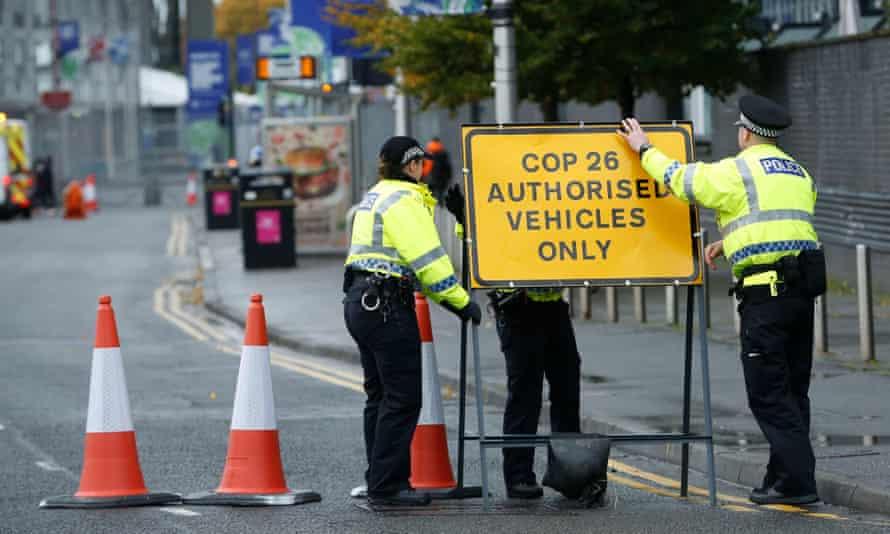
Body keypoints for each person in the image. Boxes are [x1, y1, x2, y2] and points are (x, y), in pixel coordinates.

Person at [617, 94, 824, 506]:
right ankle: (780, 478)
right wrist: (728, 244)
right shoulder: (799, 173)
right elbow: (779, 226)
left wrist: (643, 147)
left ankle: (799, 483)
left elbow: (681, 180)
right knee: (792, 391)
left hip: (765, 298)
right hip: (802, 295)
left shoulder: (738, 170)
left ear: (746, 133)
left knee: (768, 392)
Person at [344, 136, 482, 506]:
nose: (426, 170)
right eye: (423, 163)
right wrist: (461, 302)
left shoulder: (376, 195)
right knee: (403, 397)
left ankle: (379, 479)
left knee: (380, 395)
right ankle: (388, 485)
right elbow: (428, 260)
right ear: (412, 164)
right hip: (386, 306)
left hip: (362, 302)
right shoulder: (404, 201)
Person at [444, 183, 581, 500]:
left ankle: (570, 472)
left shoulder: (547, 189)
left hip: (553, 307)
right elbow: (484, 239)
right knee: (525, 392)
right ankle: (519, 476)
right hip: (516, 308)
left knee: (566, 386)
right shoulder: (505, 182)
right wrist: (465, 216)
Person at [422, 137, 453, 203]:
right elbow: (448, 169)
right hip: (442, 181)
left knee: (429, 198)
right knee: (440, 197)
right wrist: (448, 179)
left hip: (429, 180)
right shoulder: (443, 154)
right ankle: (440, 207)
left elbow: (423, 168)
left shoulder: (427, 153)